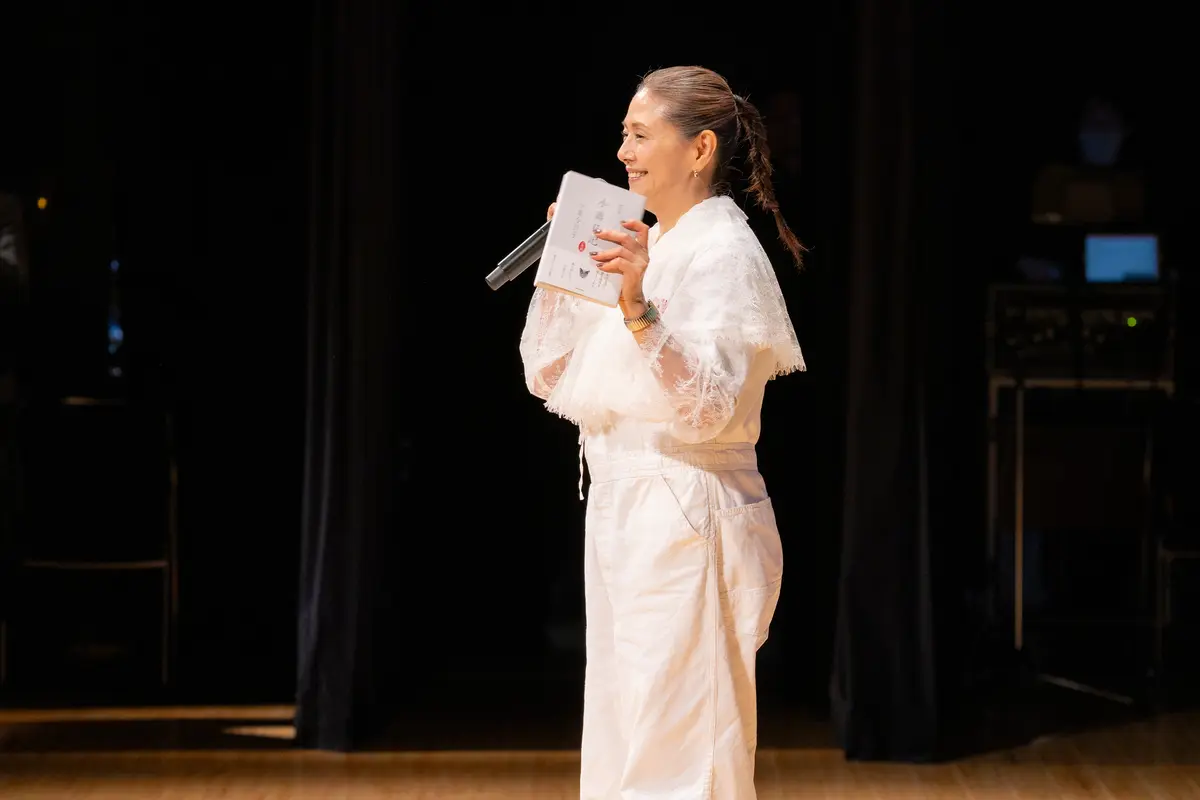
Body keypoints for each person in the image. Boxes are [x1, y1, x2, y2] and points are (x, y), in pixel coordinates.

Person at [518, 66, 806, 800]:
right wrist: (565, 267)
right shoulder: (644, 245)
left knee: (682, 746)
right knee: (626, 736)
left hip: (689, 508)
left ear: (700, 148)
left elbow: (708, 410)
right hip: (625, 508)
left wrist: (639, 307)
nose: (623, 152)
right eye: (623, 134)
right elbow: (547, 376)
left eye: (641, 135)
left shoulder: (722, 252)